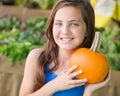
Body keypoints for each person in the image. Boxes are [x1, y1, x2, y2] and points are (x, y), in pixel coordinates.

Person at [19, 0, 111, 96]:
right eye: (59, 23)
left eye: (74, 24)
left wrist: (89, 91)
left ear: (87, 29)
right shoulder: (37, 57)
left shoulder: (94, 67)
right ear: (52, 26)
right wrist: (54, 85)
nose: (65, 31)